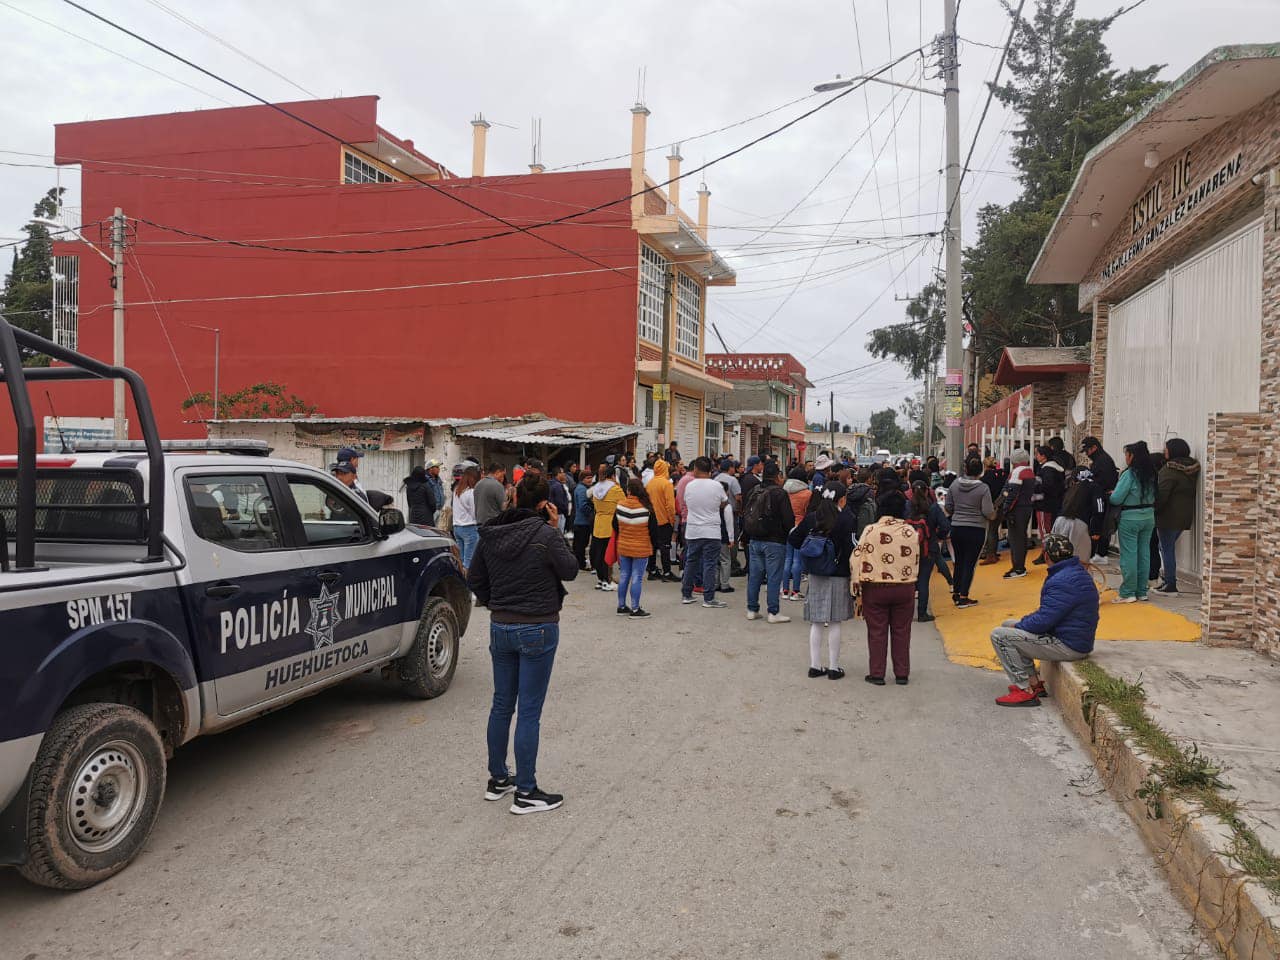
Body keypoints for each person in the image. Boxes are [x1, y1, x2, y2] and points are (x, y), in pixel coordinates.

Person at [469, 473, 577, 814]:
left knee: (502, 704)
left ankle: (499, 779)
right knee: (529, 710)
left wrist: (496, 602)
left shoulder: (491, 534)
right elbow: (571, 570)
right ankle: (527, 791)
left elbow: (474, 579)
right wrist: (557, 528)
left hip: (501, 625)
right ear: (545, 503)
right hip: (537, 626)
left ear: (512, 498)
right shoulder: (545, 534)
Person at [990, 533, 1098, 706]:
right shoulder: (1074, 572)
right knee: (1008, 626)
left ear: (1046, 555)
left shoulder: (1062, 580)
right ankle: (1034, 683)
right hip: (1075, 638)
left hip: (1069, 645)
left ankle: (1024, 690)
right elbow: (1049, 614)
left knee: (1000, 635)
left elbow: (1043, 621)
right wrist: (1020, 625)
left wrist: (1021, 624)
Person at [852, 489, 920, 685]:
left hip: (875, 588)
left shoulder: (871, 530)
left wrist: (856, 584)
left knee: (877, 631)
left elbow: (857, 557)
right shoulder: (910, 532)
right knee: (902, 630)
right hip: (904, 587)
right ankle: (901, 673)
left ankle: (877, 673)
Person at [788, 481, 855, 679]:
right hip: (838, 574)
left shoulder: (812, 518)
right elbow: (852, 546)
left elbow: (793, 539)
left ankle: (815, 666)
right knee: (835, 622)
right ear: (842, 499)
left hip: (816, 573)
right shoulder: (846, 518)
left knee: (816, 622)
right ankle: (834, 668)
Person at [743, 461, 796, 623]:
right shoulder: (780, 493)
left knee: (755, 576)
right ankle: (773, 612)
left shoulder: (755, 490)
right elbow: (788, 519)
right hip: (775, 541)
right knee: (774, 577)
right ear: (778, 476)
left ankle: (752, 609)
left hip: (754, 539)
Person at [680, 457, 732, 609]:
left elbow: (685, 502)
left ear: (696, 469)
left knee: (691, 562)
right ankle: (709, 598)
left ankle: (686, 594)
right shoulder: (716, 486)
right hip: (712, 531)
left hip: (693, 529)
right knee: (710, 564)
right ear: (710, 470)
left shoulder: (689, 485)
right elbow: (724, 503)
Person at [1110, 440, 1158, 603]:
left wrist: (1111, 493)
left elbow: (1116, 499)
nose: (1125, 458)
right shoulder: (1152, 473)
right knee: (1144, 553)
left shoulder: (1129, 474)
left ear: (1132, 456)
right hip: (1149, 516)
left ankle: (1128, 592)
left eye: (1126, 455)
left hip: (1130, 517)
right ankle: (1141, 591)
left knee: (1129, 555)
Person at [944, 458, 994, 609]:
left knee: (959, 561)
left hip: (957, 528)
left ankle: (956, 591)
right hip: (976, 528)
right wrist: (993, 515)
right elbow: (987, 511)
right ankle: (964, 596)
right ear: (981, 471)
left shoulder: (954, 485)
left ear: (965, 469)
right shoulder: (983, 488)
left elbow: (948, 506)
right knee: (969, 564)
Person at [1154, 439, 1200, 594]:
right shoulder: (1191, 468)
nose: (1163, 451)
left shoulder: (1169, 470)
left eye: (1166, 448)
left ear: (1173, 451)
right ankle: (1168, 580)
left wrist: (1153, 509)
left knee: (1166, 549)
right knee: (1166, 547)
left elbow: (1162, 495)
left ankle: (1170, 583)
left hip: (1167, 516)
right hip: (1183, 516)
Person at [612, 478, 658, 618]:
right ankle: (635, 609)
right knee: (637, 577)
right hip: (641, 547)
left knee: (624, 575)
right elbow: (653, 531)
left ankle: (621, 606)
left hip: (624, 546)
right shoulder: (647, 509)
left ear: (628, 490)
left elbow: (615, 525)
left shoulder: (620, 506)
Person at [910, 481, 953, 622]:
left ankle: (905, 612)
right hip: (929, 547)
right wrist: (937, 537)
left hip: (909, 548)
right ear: (927, 491)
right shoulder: (933, 508)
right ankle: (922, 613)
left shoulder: (908, 506)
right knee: (924, 580)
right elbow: (945, 526)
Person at [1081, 436, 1119, 562]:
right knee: (1099, 524)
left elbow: (1104, 481)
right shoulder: (1100, 460)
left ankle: (1100, 554)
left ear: (1094, 448)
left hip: (1103, 497)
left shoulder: (1103, 461)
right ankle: (1098, 553)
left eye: (1087, 450)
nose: (1086, 454)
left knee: (1101, 525)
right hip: (1099, 496)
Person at [1054, 468, 1104, 564]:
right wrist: (1096, 530)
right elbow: (1099, 509)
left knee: (1059, 556)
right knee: (1080, 560)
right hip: (1078, 523)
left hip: (1060, 520)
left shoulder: (1072, 488)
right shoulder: (1095, 487)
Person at [1000, 448, 1036, 579]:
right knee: (1020, 538)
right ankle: (1019, 566)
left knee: (1015, 540)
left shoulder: (1016, 473)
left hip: (1016, 509)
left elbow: (1010, 493)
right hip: (1026, 508)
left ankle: (1018, 568)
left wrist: (1005, 508)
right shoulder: (1029, 471)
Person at [589, 465, 624, 591]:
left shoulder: (596, 487)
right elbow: (623, 503)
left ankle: (600, 579)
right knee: (607, 554)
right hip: (610, 522)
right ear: (613, 476)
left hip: (598, 522)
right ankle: (607, 580)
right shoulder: (615, 489)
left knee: (598, 552)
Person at [1032, 446, 1066, 565]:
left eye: (1037, 454)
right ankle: (1050, 553)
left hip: (1044, 505)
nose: (1036, 456)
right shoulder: (1057, 468)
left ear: (1043, 456)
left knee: (1045, 531)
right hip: (1055, 504)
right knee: (1051, 530)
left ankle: (1046, 554)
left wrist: (1034, 488)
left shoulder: (1046, 469)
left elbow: (1047, 486)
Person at [783, 466, 812, 601]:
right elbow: (807, 512)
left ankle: (784, 590)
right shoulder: (807, 493)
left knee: (787, 559)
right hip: (799, 527)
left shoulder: (783, 491)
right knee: (797, 560)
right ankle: (795, 591)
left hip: (786, 526)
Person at [645, 457, 677, 581]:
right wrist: (672, 519)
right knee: (665, 547)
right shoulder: (667, 483)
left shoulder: (650, 483)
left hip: (651, 519)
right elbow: (670, 504)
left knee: (652, 545)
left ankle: (652, 570)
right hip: (663, 519)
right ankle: (667, 572)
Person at [451, 465, 480, 568]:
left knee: (461, 560)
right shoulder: (471, 492)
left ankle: (461, 581)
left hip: (457, 527)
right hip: (469, 528)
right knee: (469, 562)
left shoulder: (456, 490)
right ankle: (468, 582)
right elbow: (474, 513)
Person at [978, 457, 1005, 565]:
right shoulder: (1002, 475)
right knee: (994, 529)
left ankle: (991, 555)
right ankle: (993, 552)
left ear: (985, 466)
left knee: (991, 531)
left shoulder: (984, 479)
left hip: (991, 507)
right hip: (1002, 505)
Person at [571, 476, 594, 571]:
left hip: (579, 521)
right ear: (582, 479)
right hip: (582, 521)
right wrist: (592, 512)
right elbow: (583, 505)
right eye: (587, 478)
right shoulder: (582, 489)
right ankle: (581, 564)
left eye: (591, 478)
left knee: (578, 544)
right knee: (581, 544)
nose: (590, 480)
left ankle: (578, 563)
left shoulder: (582, 488)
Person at [548, 467, 571, 536]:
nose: (564, 474)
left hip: (551, 513)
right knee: (558, 535)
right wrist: (566, 511)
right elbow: (560, 502)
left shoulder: (550, 483)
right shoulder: (558, 485)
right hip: (559, 514)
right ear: (558, 474)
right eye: (562, 472)